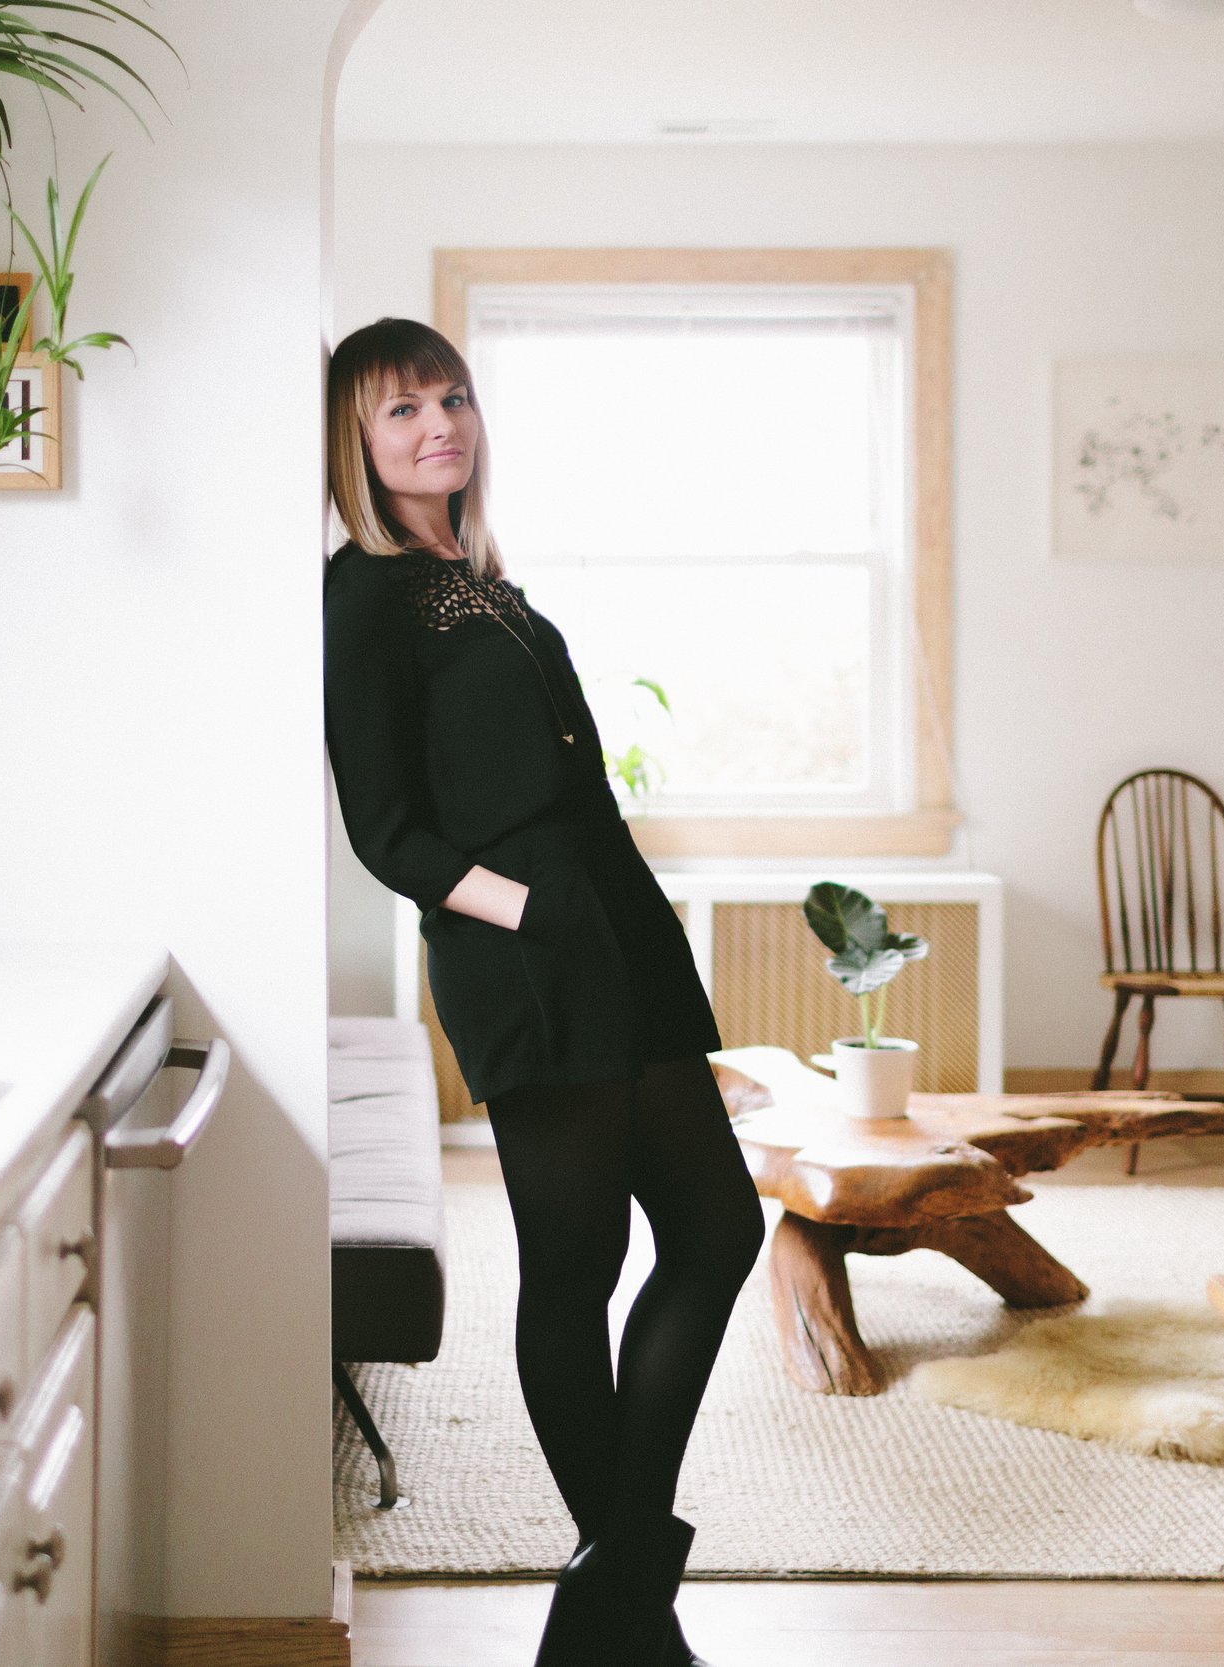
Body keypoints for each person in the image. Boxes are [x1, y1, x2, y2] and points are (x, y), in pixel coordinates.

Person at [322, 317, 766, 1667]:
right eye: (403, 410)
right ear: (356, 441)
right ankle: (630, 1600)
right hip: (525, 954)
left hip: (617, 938)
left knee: (718, 1228)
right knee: (577, 1267)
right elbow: (385, 830)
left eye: (451, 398)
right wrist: (528, 911)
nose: (438, 426)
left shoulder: (485, 586)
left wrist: (620, 924)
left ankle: (617, 1585)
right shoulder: (362, 595)